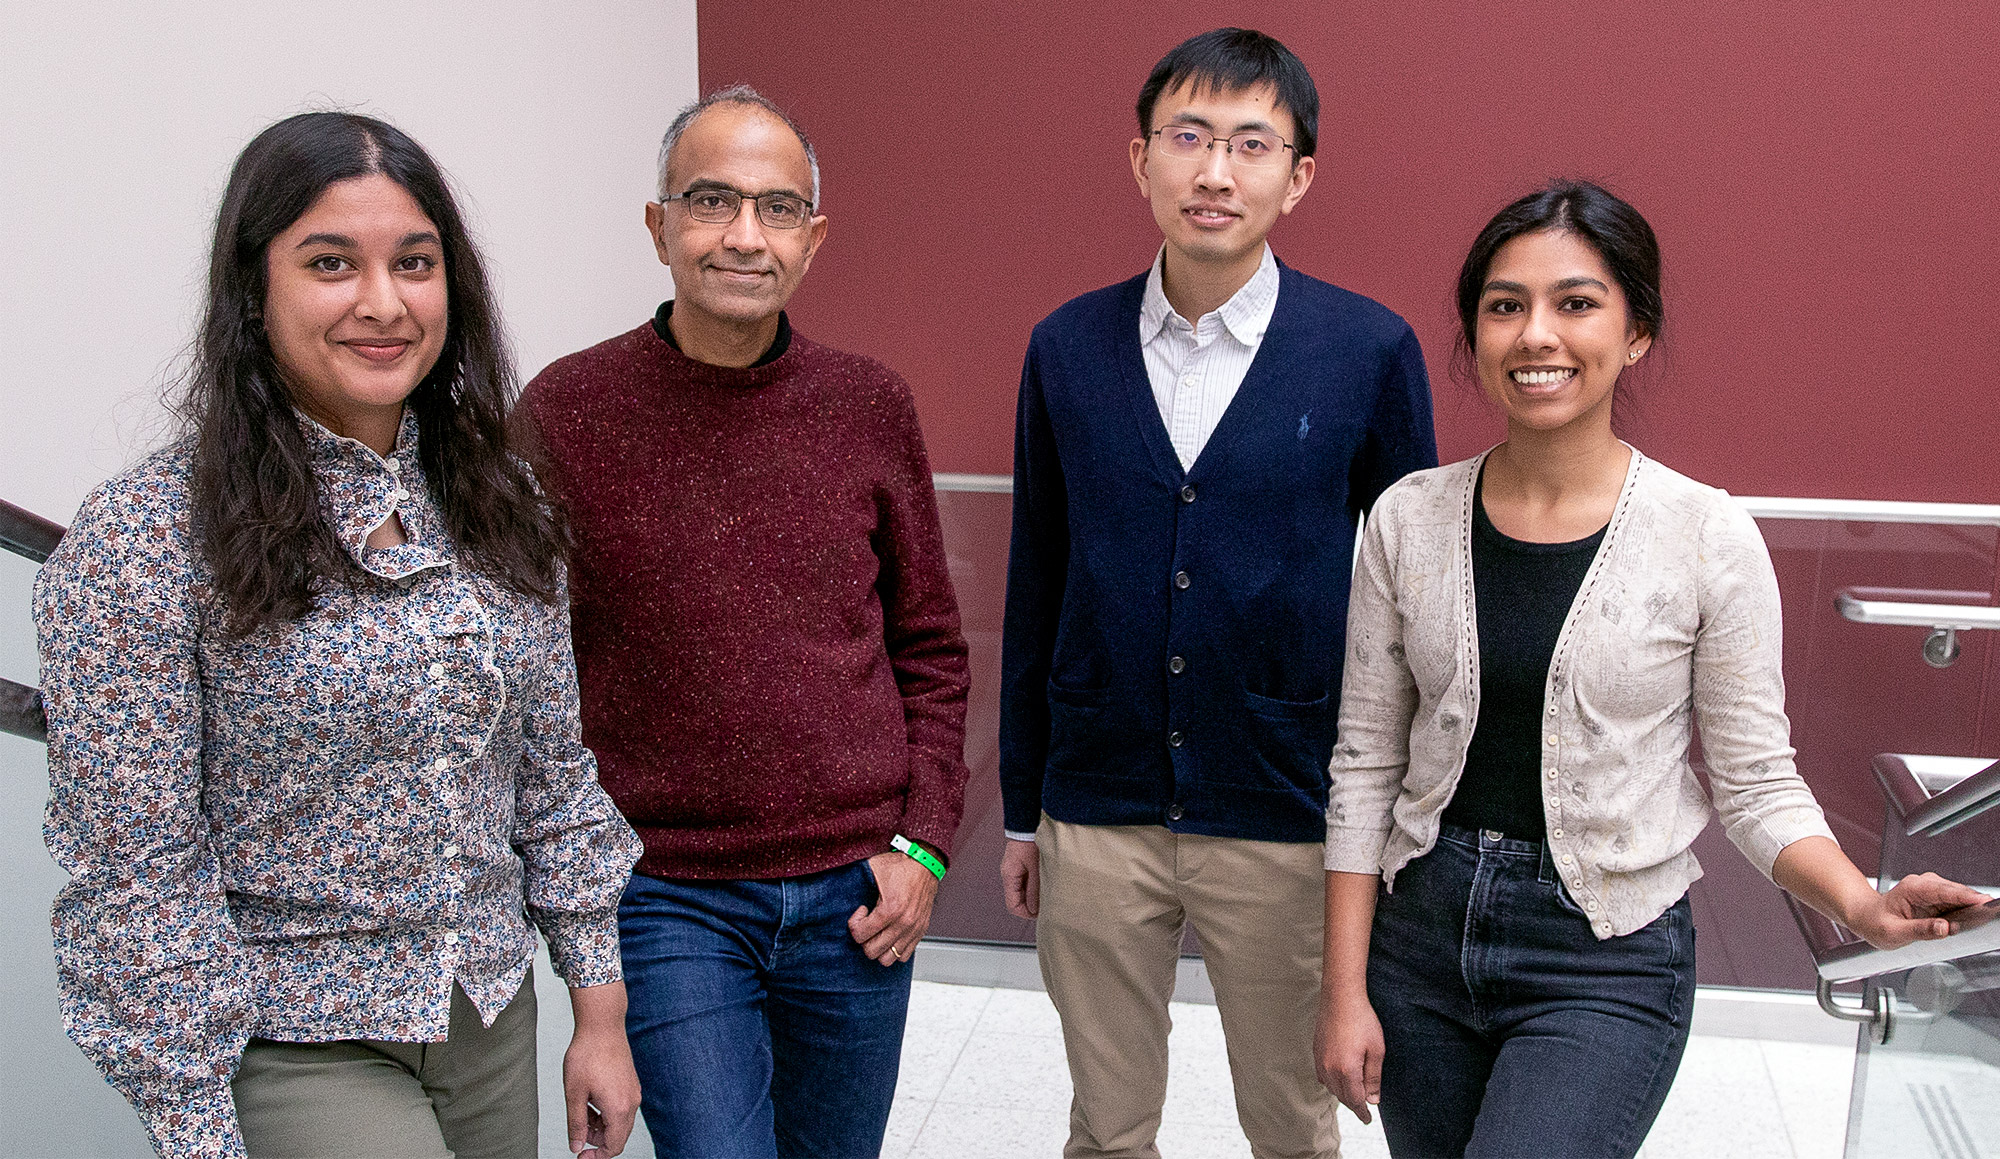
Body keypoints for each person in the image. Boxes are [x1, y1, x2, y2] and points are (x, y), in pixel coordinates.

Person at [1314, 179, 1986, 1158]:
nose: (1535, 334)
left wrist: (1857, 901)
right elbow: (1365, 763)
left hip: (1602, 959)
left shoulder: (1705, 535)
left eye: (1574, 302)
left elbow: (1754, 783)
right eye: (1504, 305)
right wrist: (1341, 992)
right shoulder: (1404, 519)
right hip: (1416, 942)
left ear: (1633, 332)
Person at [34, 111, 645, 1159]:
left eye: (415, 262)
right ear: (251, 288)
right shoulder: (142, 538)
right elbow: (137, 879)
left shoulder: (502, 502)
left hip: (490, 1013)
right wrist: (193, 1124)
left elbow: (552, 778)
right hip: (298, 1037)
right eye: (330, 263)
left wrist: (600, 1013)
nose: (383, 302)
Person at [998, 28, 1438, 1159]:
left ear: (1296, 177)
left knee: (1293, 1117)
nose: (1213, 171)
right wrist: (1018, 804)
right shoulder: (1064, 346)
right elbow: (1037, 571)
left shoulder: (1366, 349)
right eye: (1186, 137)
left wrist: (1388, 820)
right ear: (1137, 157)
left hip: (1287, 806)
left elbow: (1414, 608)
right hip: (1095, 800)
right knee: (1105, 1119)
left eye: (1250, 144)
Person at [518, 85, 971, 1159]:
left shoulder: (868, 405)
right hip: (667, 892)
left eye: (775, 209)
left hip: (857, 891)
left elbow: (931, 651)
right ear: (658, 223)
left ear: (812, 239)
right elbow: (524, 674)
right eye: (711, 201)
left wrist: (924, 843)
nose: (742, 236)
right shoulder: (563, 413)